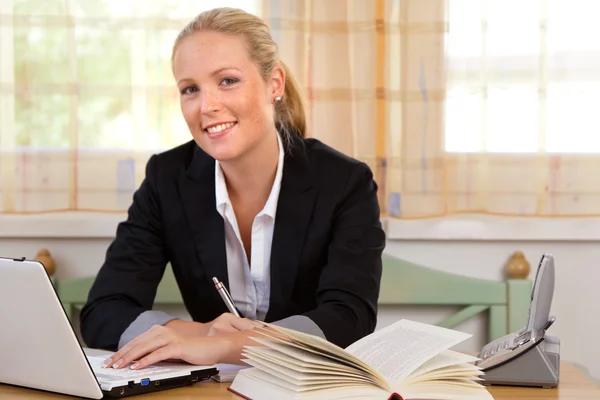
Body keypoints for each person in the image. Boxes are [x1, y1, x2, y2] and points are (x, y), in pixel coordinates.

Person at [80, 7, 386, 371]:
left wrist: (226, 346)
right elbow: (104, 309)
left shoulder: (344, 182)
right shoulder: (168, 178)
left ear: (274, 83)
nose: (207, 106)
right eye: (190, 89)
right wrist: (194, 333)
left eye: (227, 80)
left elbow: (349, 318)